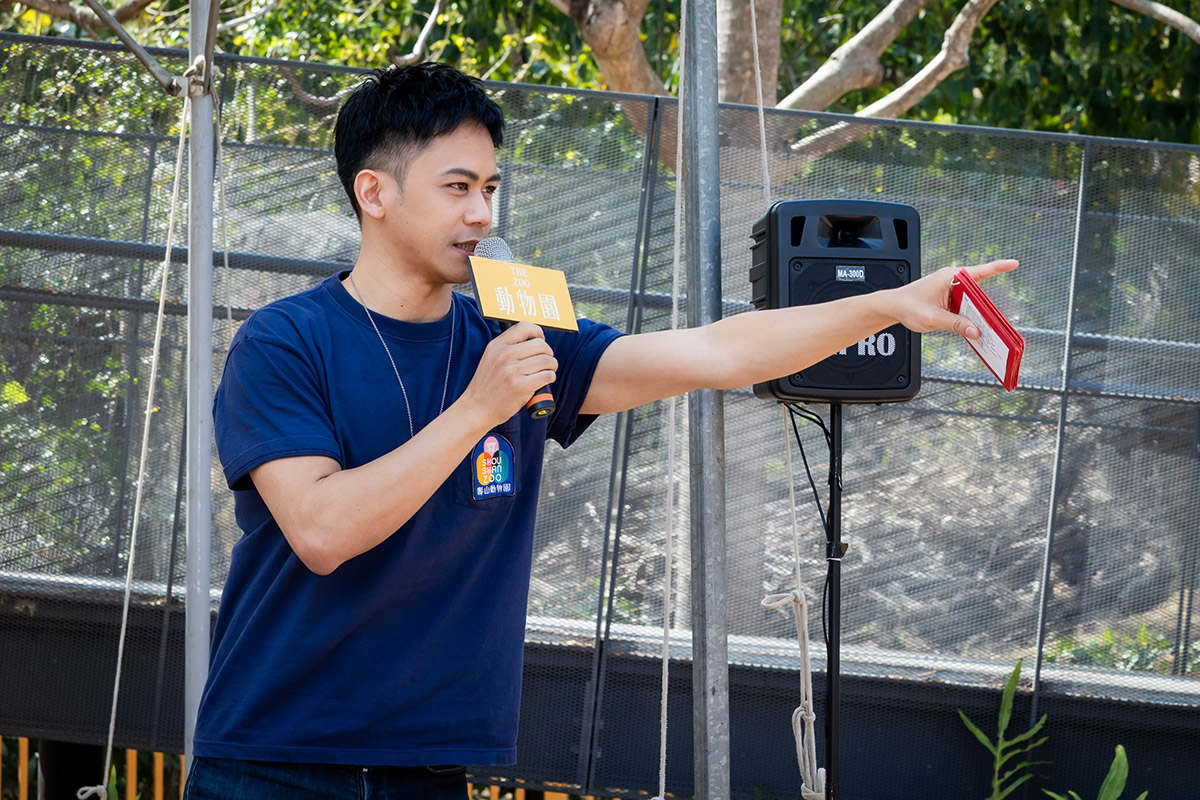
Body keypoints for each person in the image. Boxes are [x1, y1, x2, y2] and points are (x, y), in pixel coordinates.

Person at [184, 62, 1017, 799]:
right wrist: (479, 409)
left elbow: (716, 350)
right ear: (375, 193)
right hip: (274, 758)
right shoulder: (286, 340)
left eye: (491, 188)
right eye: (456, 186)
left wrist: (894, 305)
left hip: (429, 762)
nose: (481, 212)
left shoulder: (518, 336)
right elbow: (325, 531)